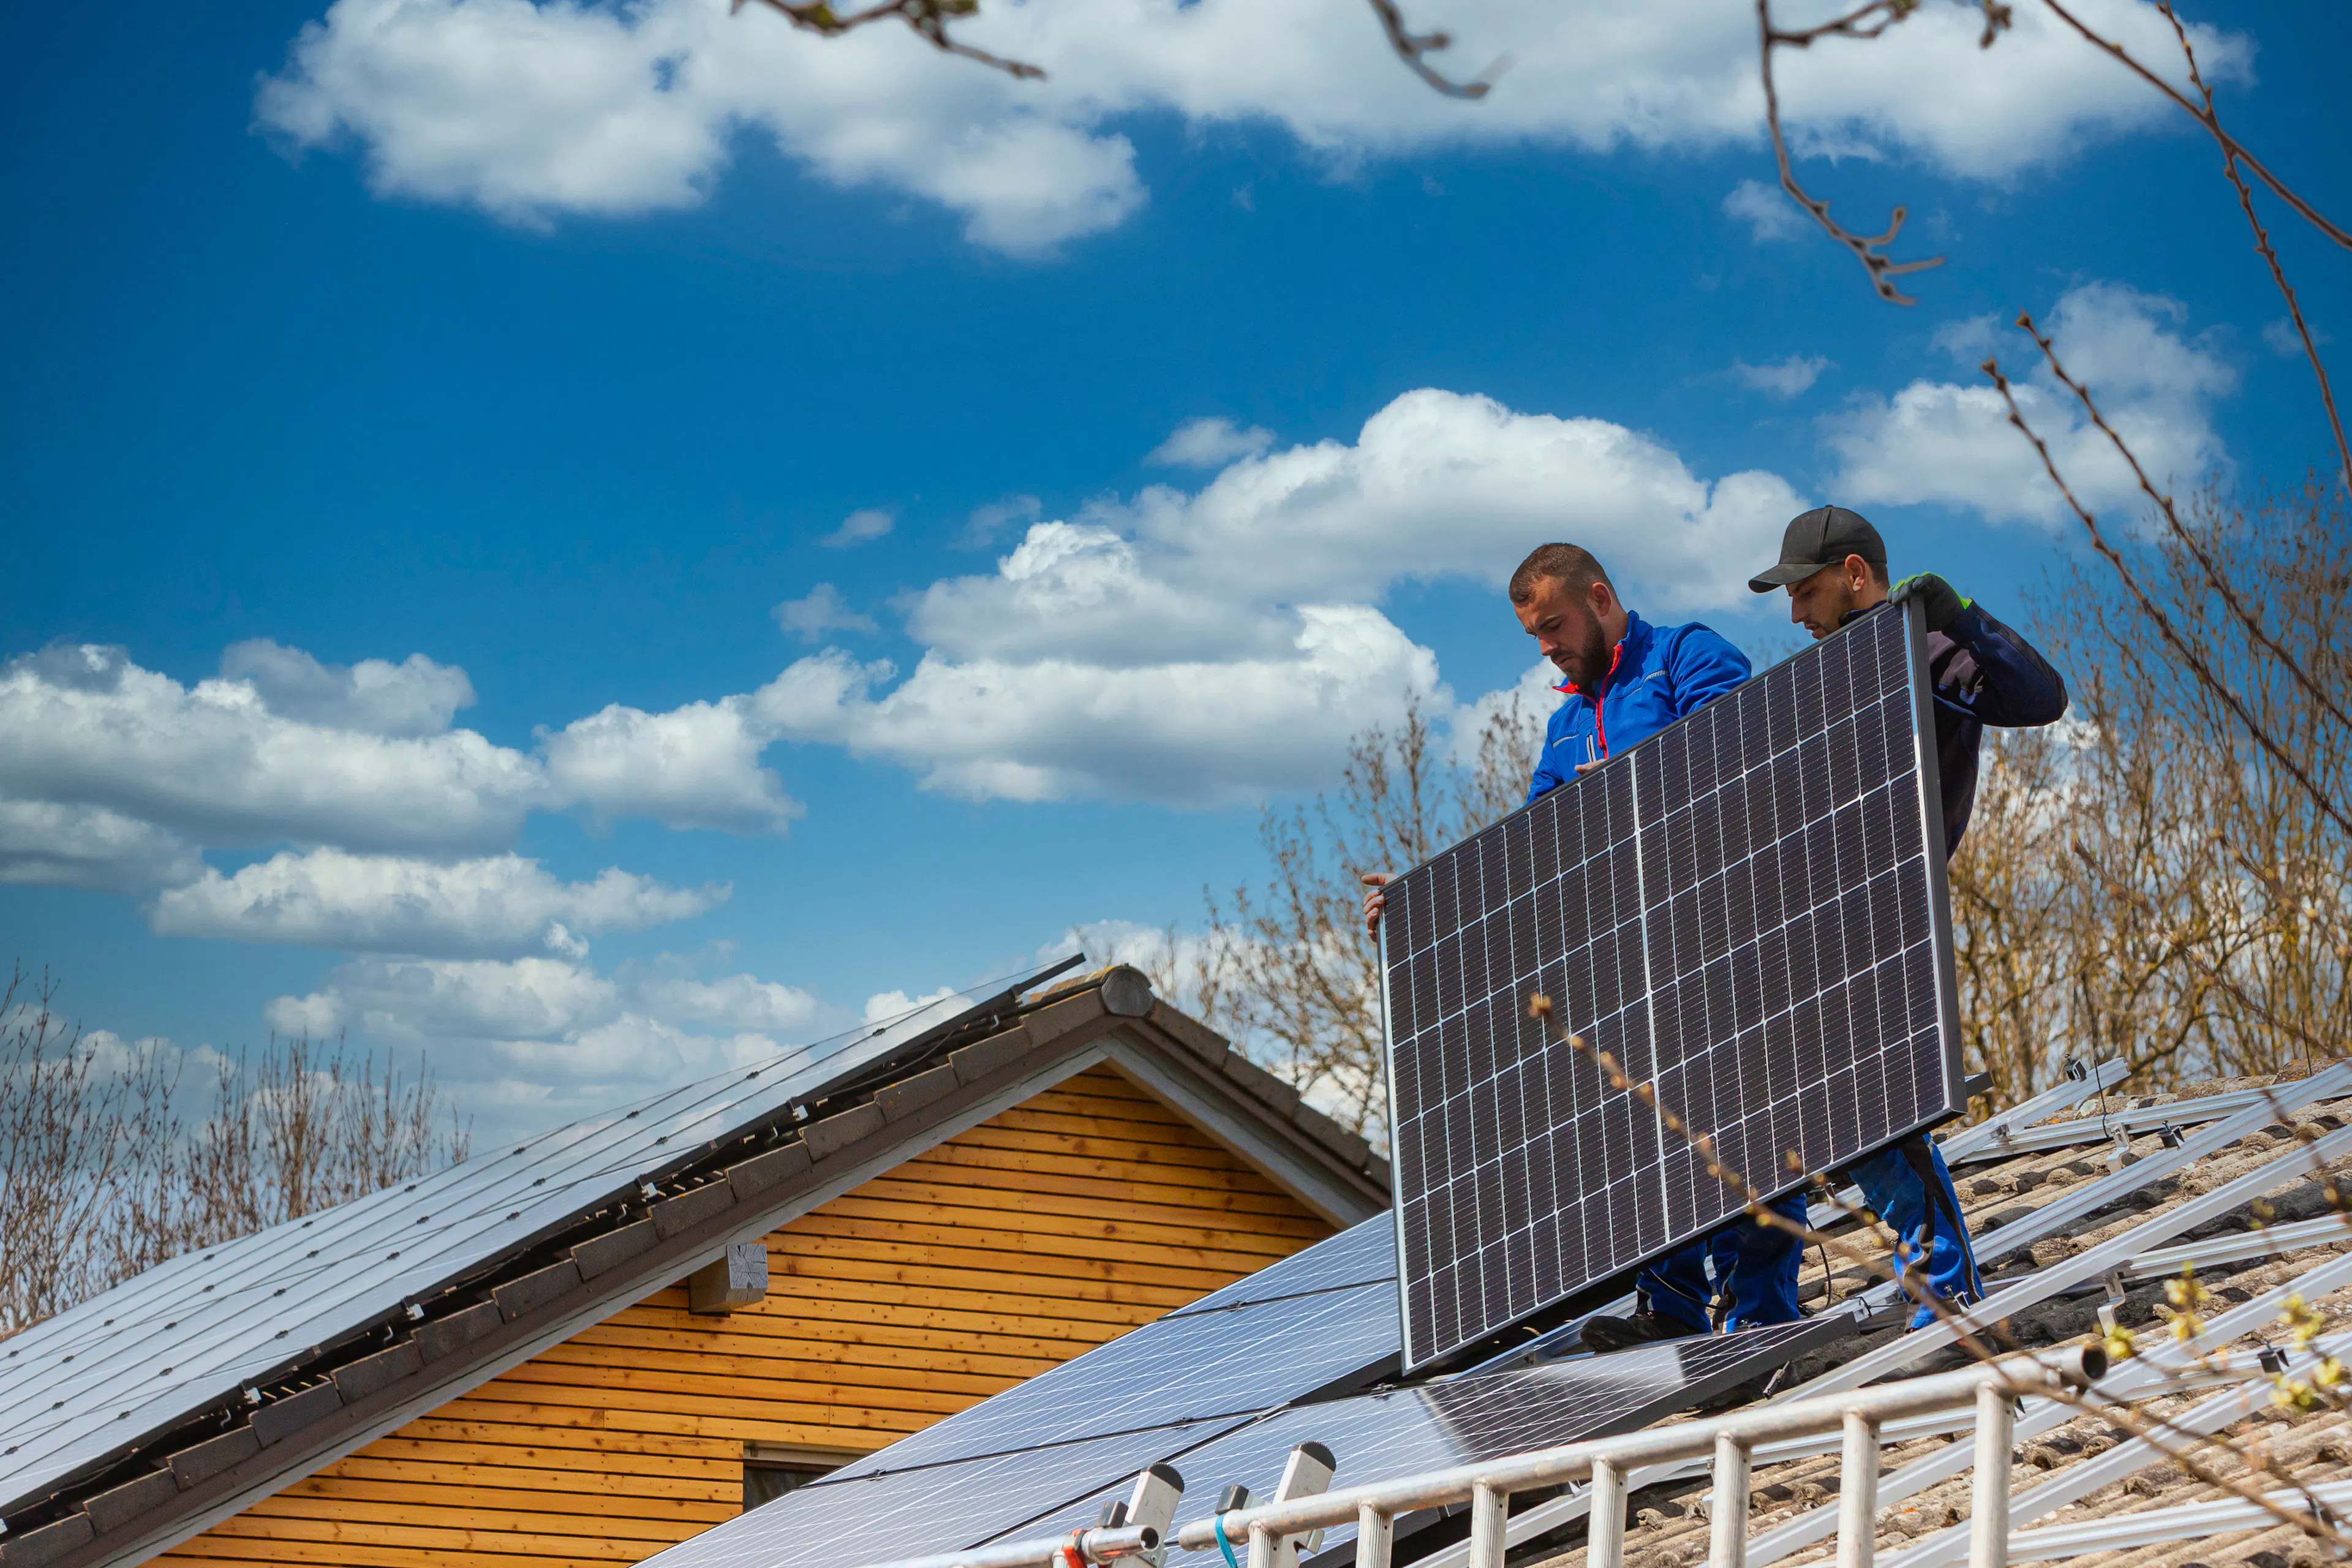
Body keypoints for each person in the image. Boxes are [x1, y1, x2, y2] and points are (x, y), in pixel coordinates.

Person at [1362, 541, 1811, 1351]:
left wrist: (1626, 791)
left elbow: (1740, 757)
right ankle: (1669, 1307)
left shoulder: (1684, 658)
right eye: (1533, 635)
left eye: (1554, 626)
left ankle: (1763, 1313)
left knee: (1750, 1122)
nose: (1545, 648)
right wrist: (1419, 904)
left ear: (1600, 597)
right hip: (1634, 966)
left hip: (1724, 938)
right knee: (1652, 1131)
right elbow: (1527, 856)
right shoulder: (1566, 726)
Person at [1749, 504, 2069, 1329]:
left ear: (1855, 574)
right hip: (1812, 920)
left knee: (1873, 1112)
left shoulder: (1927, 650)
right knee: (1769, 1110)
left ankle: (1944, 1291)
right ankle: (1760, 1315)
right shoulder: (1821, 679)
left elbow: (2040, 699)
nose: (1795, 613)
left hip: (1887, 916)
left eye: (1807, 591)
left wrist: (1962, 617)